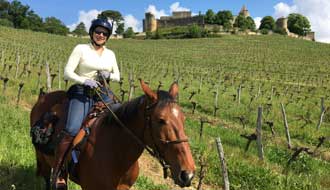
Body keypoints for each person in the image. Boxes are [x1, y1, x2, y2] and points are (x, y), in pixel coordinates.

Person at [52, 18, 120, 189]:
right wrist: (84, 80)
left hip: (104, 93)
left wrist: (109, 75)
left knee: (120, 123)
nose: (101, 35)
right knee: (72, 129)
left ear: (108, 36)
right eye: (98, 32)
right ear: (92, 33)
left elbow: (118, 76)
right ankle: (59, 172)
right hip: (83, 92)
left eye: (104, 33)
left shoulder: (110, 54)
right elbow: (67, 72)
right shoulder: (81, 49)